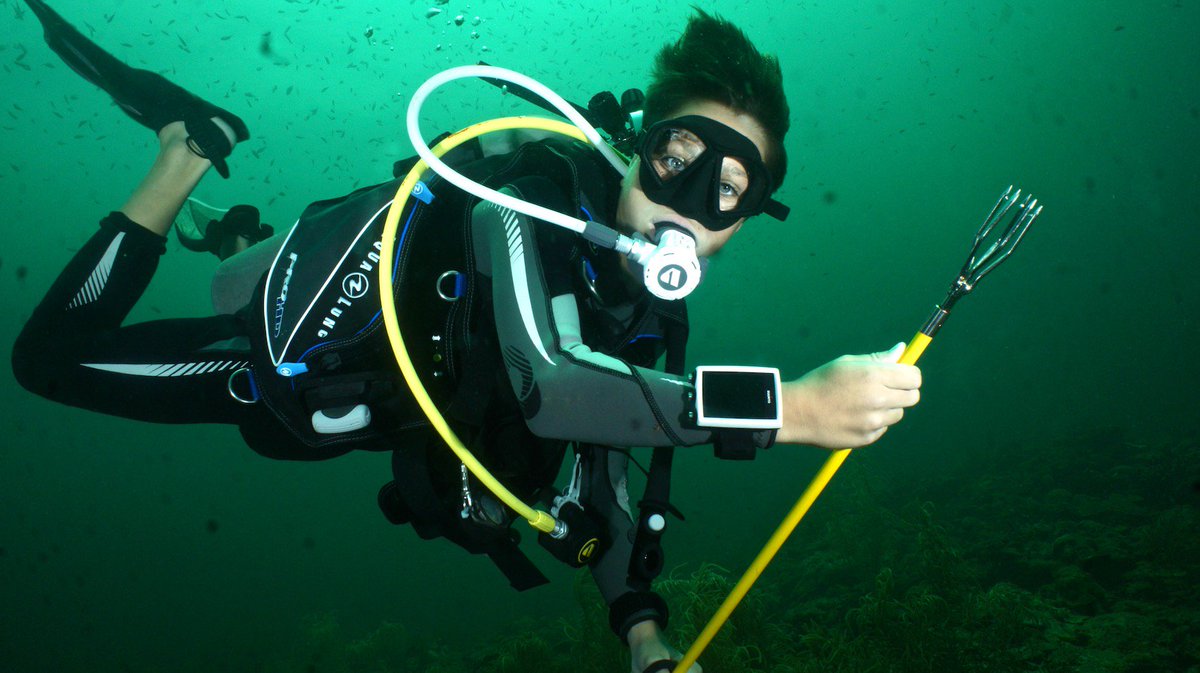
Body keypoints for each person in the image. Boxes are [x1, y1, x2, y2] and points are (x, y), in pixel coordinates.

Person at [11, 2, 922, 671]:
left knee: (242, 269)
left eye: (726, 190)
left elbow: (602, 484)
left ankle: (236, 228)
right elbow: (554, 386)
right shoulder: (528, 198)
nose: (687, 203)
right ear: (639, 143)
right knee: (50, 359)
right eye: (676, 161)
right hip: (282, 366)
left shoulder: (648, 322)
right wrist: (791, 408)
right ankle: (189, 150)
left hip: (370, 390)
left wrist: (646, 638)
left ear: (748, 217)